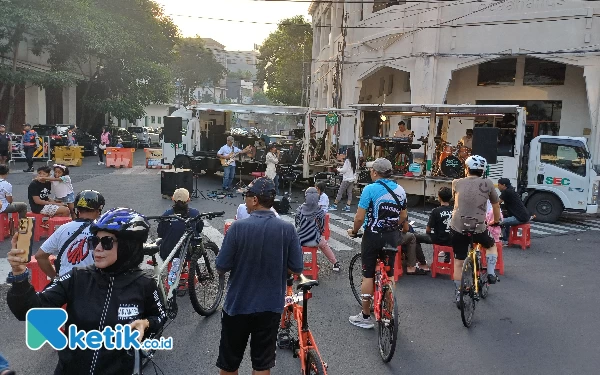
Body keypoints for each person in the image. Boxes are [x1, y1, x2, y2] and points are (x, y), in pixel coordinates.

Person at [6, 208, 167, 375]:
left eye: (106, 242)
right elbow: (29, 310)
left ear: (128, 246)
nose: (97, 248)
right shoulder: (76, 278)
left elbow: (160, 316)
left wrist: (146, 324)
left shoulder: (144, 284)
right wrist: (19, 277)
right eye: (94, 241)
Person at [215, 178, 303, 375]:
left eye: (246, 196)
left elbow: (221, 266)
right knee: (262, 364)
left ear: (255, 200)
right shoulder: (287, 229)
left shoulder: (238, 228)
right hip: (270, 306)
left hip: (238, 305)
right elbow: (296, 268)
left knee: (229, 363)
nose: (245, 200)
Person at [346, 158, 409, 328]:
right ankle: (388, 309)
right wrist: (392, 226)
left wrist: (353, 231)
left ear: (374, 172)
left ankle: (365, 317)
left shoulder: (370, 189)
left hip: (372, 236)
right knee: (388, 275)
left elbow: (360, 217)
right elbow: (403, 216)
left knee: (368, 275)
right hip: (391, 237)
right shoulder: (400, 190)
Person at [450, 155, 501, 307]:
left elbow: (457, 200)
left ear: (466, 168)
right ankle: (491, 273)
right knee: (491, 245)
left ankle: (459, 293)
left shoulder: (456, 182)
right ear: (483, 170)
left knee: (459, 262)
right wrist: (496, 221)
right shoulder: (488, 183)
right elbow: (496, 205)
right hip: (478, 227)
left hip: (458, 226)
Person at [296, 187, 340, 272]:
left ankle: (298, 265)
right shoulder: (319, 211)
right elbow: (322, 228)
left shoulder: (299, 209)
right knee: (324, 244)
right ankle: (335, 263)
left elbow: (297, 224)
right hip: (315, 240)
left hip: (300, 240)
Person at [157, 188, 200, 261]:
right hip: (189, 252)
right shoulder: (195, 213)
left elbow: (160, 233)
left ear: (173, 199)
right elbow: (199, 229)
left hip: (168, 252)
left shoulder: (166, 214)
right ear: (188, 200)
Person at [414, 187, 453, 263]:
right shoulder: (454, 210)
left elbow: (428, 229)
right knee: (448, 236)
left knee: (414, 237)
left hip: (438, 239)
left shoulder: (436, 211)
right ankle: (447, 257)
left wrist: (428, 234)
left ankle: (422, 262)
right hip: (451, 239)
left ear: (439, 197)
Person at [497, 177, 530, 245]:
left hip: (519, 218)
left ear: (503, 185)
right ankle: (507, 238)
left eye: (499, 185)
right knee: (505, 217)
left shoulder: (506, 192)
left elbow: (497, 203)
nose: (498, 187)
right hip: (524, 216)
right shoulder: (511, 190)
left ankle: (504, 240)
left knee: (498, 222)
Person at [329, 147, 356, 212]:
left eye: (346, 151)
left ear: (348, 153)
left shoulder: (347, 161)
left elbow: (344, 170)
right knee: (349, 193)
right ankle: (348, 206)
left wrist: (337, 169)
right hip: (352, 179)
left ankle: (335, 205)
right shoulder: (353, 160)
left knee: (340, 192)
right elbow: (348, 167)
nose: (345, 153)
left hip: (346, 179)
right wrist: (339, 163)